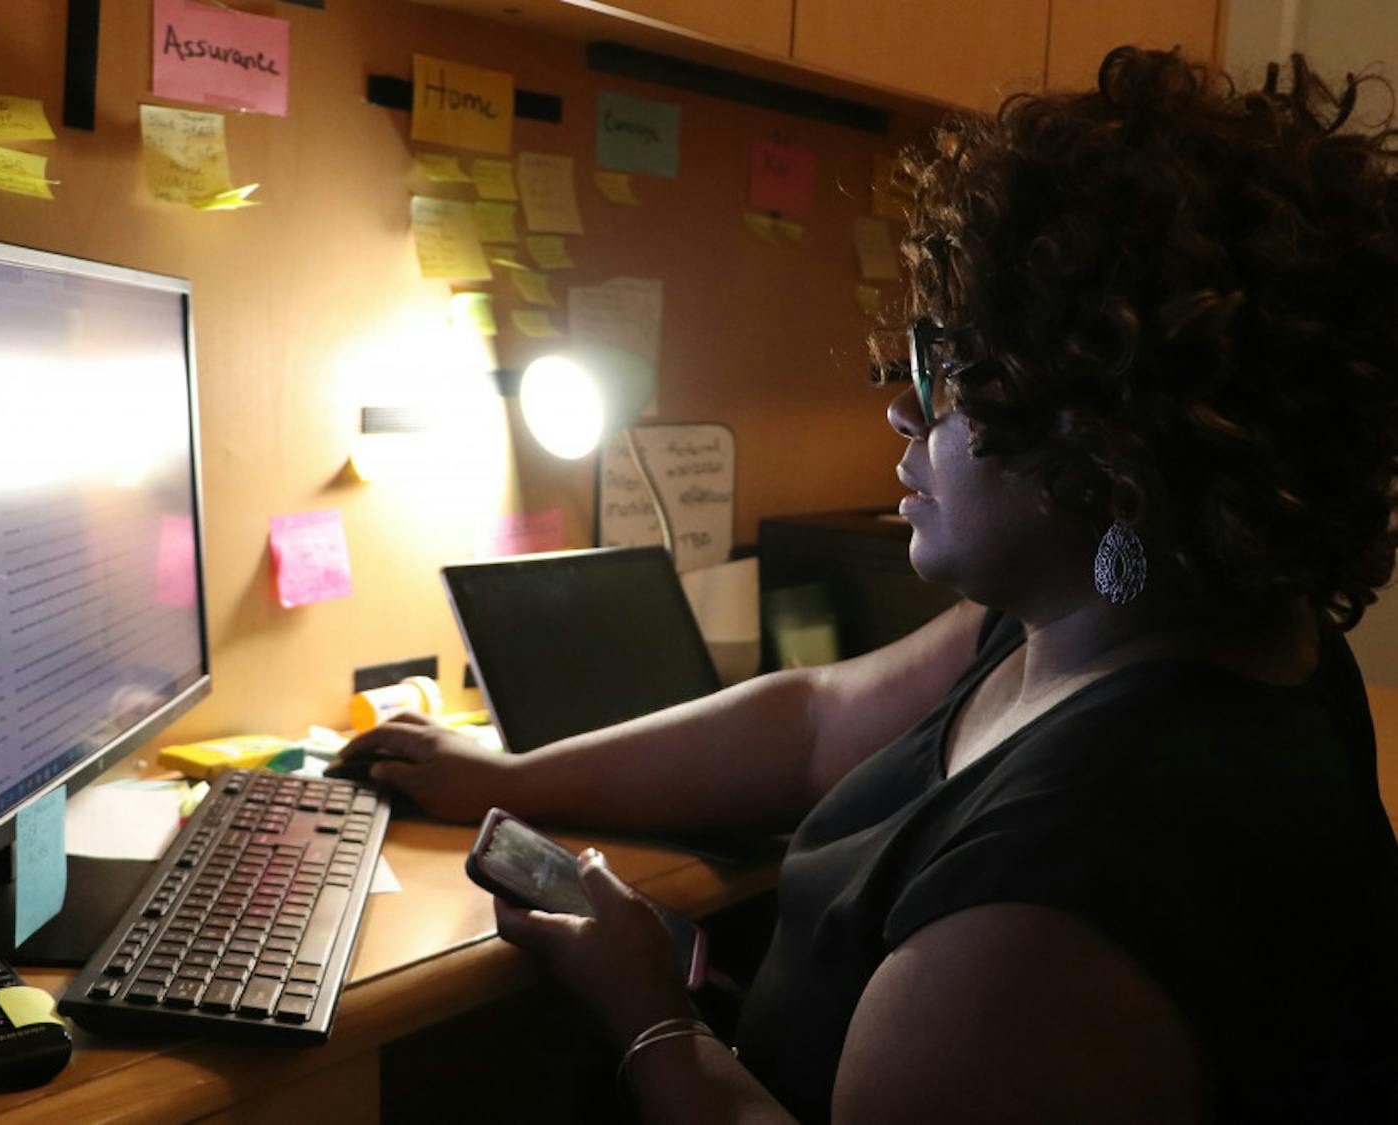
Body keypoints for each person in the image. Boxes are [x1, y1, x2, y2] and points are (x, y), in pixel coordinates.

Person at [338, 47, 1398, 1122]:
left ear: (1109, 435)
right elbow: (812, 720)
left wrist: (651, 1013)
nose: (901, 408)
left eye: (949, 367)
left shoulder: (1061, 901)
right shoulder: (1108, 622)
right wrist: (508, 773)